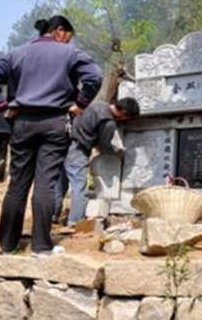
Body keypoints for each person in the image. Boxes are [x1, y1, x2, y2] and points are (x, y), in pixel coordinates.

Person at [0, 15, 102, 257]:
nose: (69, 42)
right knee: (46, 183)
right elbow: (94, 76)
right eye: (68, 36)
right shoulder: (70, 53)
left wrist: (4, 106)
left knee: (17, 184)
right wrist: (80, 104)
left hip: (22, 123)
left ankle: (8, 246)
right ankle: (41, 246)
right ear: (59, 31)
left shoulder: (16, 53)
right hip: (55, 122)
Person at [56, 97, 140, 226]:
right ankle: (75, 222)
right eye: (127, 118)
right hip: (78, 150)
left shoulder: (97, 104)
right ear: (123, 113)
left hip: (65, 143)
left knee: (60, 183)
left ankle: (52, 215)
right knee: (79, 186)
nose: (124, 120)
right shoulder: (108, 122)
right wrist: (117, 153)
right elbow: (104, 146)